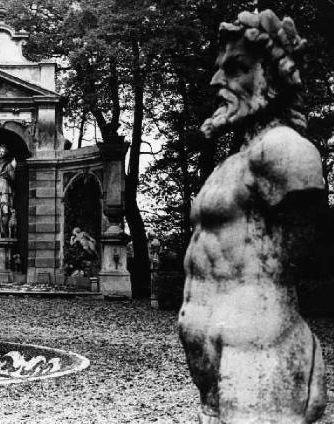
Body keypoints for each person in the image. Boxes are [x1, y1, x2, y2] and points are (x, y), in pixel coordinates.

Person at [178, 10, 326, 423]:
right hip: (222, 358)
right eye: (219, 69)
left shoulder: (284, 150)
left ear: (274, 78)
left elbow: (302, 253)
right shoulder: (236, 163)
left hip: (261, 353)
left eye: (236, 69)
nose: (217, 82)